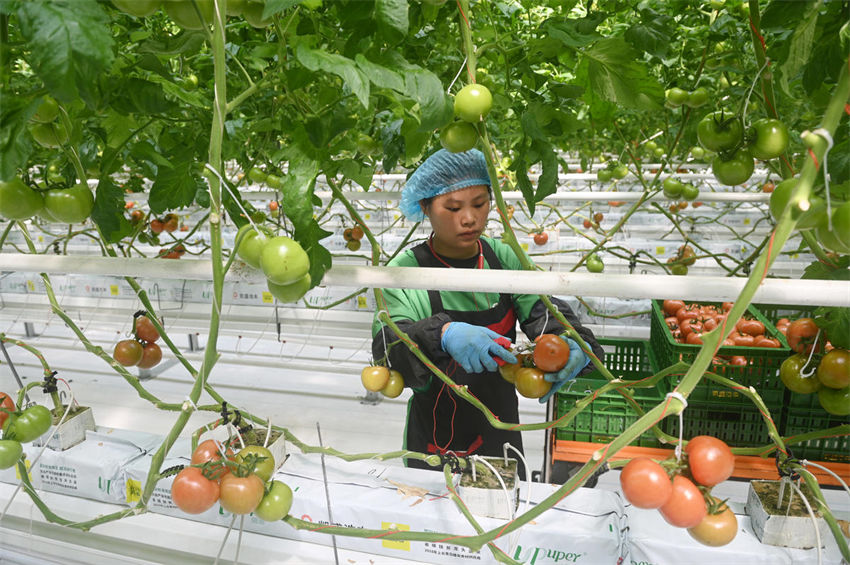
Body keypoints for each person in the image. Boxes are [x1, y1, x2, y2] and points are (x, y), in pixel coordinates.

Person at [371, 148, 603, 476]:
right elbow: (389, 345)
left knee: (505, 512)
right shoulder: (405, 271)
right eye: (453, 207)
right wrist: (442, 335)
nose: (470, 218)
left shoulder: (502, 259)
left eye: (480, 204)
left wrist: (572, 341)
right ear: (424, 206)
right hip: (434, 438)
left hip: (500, 428)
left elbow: (545, 312)